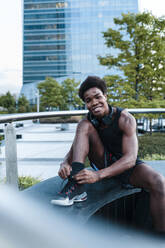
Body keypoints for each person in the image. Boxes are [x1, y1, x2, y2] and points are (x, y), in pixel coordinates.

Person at [51, 76, 165, 232]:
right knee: (84, 125)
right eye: (88, 100)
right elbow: (74, 148)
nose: (94, 102)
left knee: (159, 182)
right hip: (104, 161)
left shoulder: (125, 118)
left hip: (127, 166)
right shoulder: (88, 122)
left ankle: (160, 238)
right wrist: (65, 162)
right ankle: (76, 187)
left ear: (106, 96)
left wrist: (98, 176)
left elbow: (130, 159)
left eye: (98, 97)